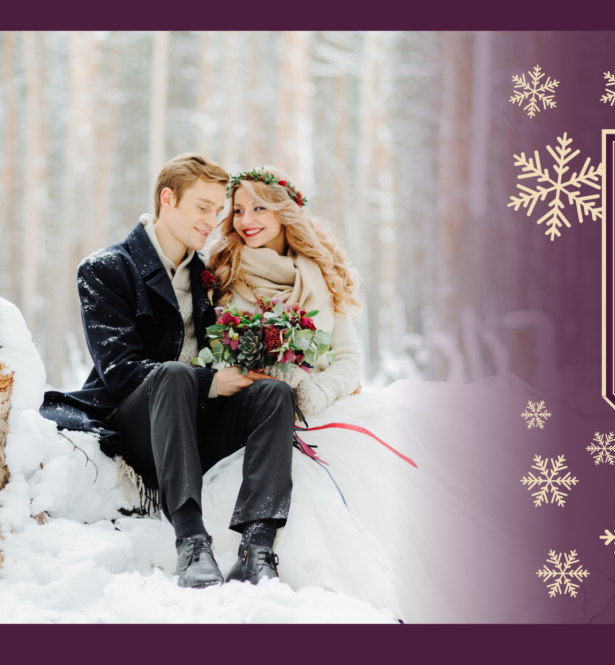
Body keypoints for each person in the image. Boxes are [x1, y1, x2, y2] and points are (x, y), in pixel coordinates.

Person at [200, 167, 543, 622]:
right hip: (257, 415)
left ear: (285, 213)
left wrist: (311, 392)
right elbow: (215, 355)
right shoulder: (223, 277)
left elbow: (347, 361)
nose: (246, 219)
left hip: (324, 407)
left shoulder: (320, 276)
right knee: (312, 487)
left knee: (393, 468)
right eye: (238, 210)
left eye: (259, 207)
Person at [40, 154, 296, 589]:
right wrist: (210, 381)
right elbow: (120, 372)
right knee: (174, 374)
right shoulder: (106, 269)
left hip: (196, 425)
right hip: (138, 429)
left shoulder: (210, 278)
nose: (212, 221)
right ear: (167, 199)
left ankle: (257, 548)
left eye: (218, 211)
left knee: (274, 395)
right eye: (202, 207)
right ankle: (192, 542)